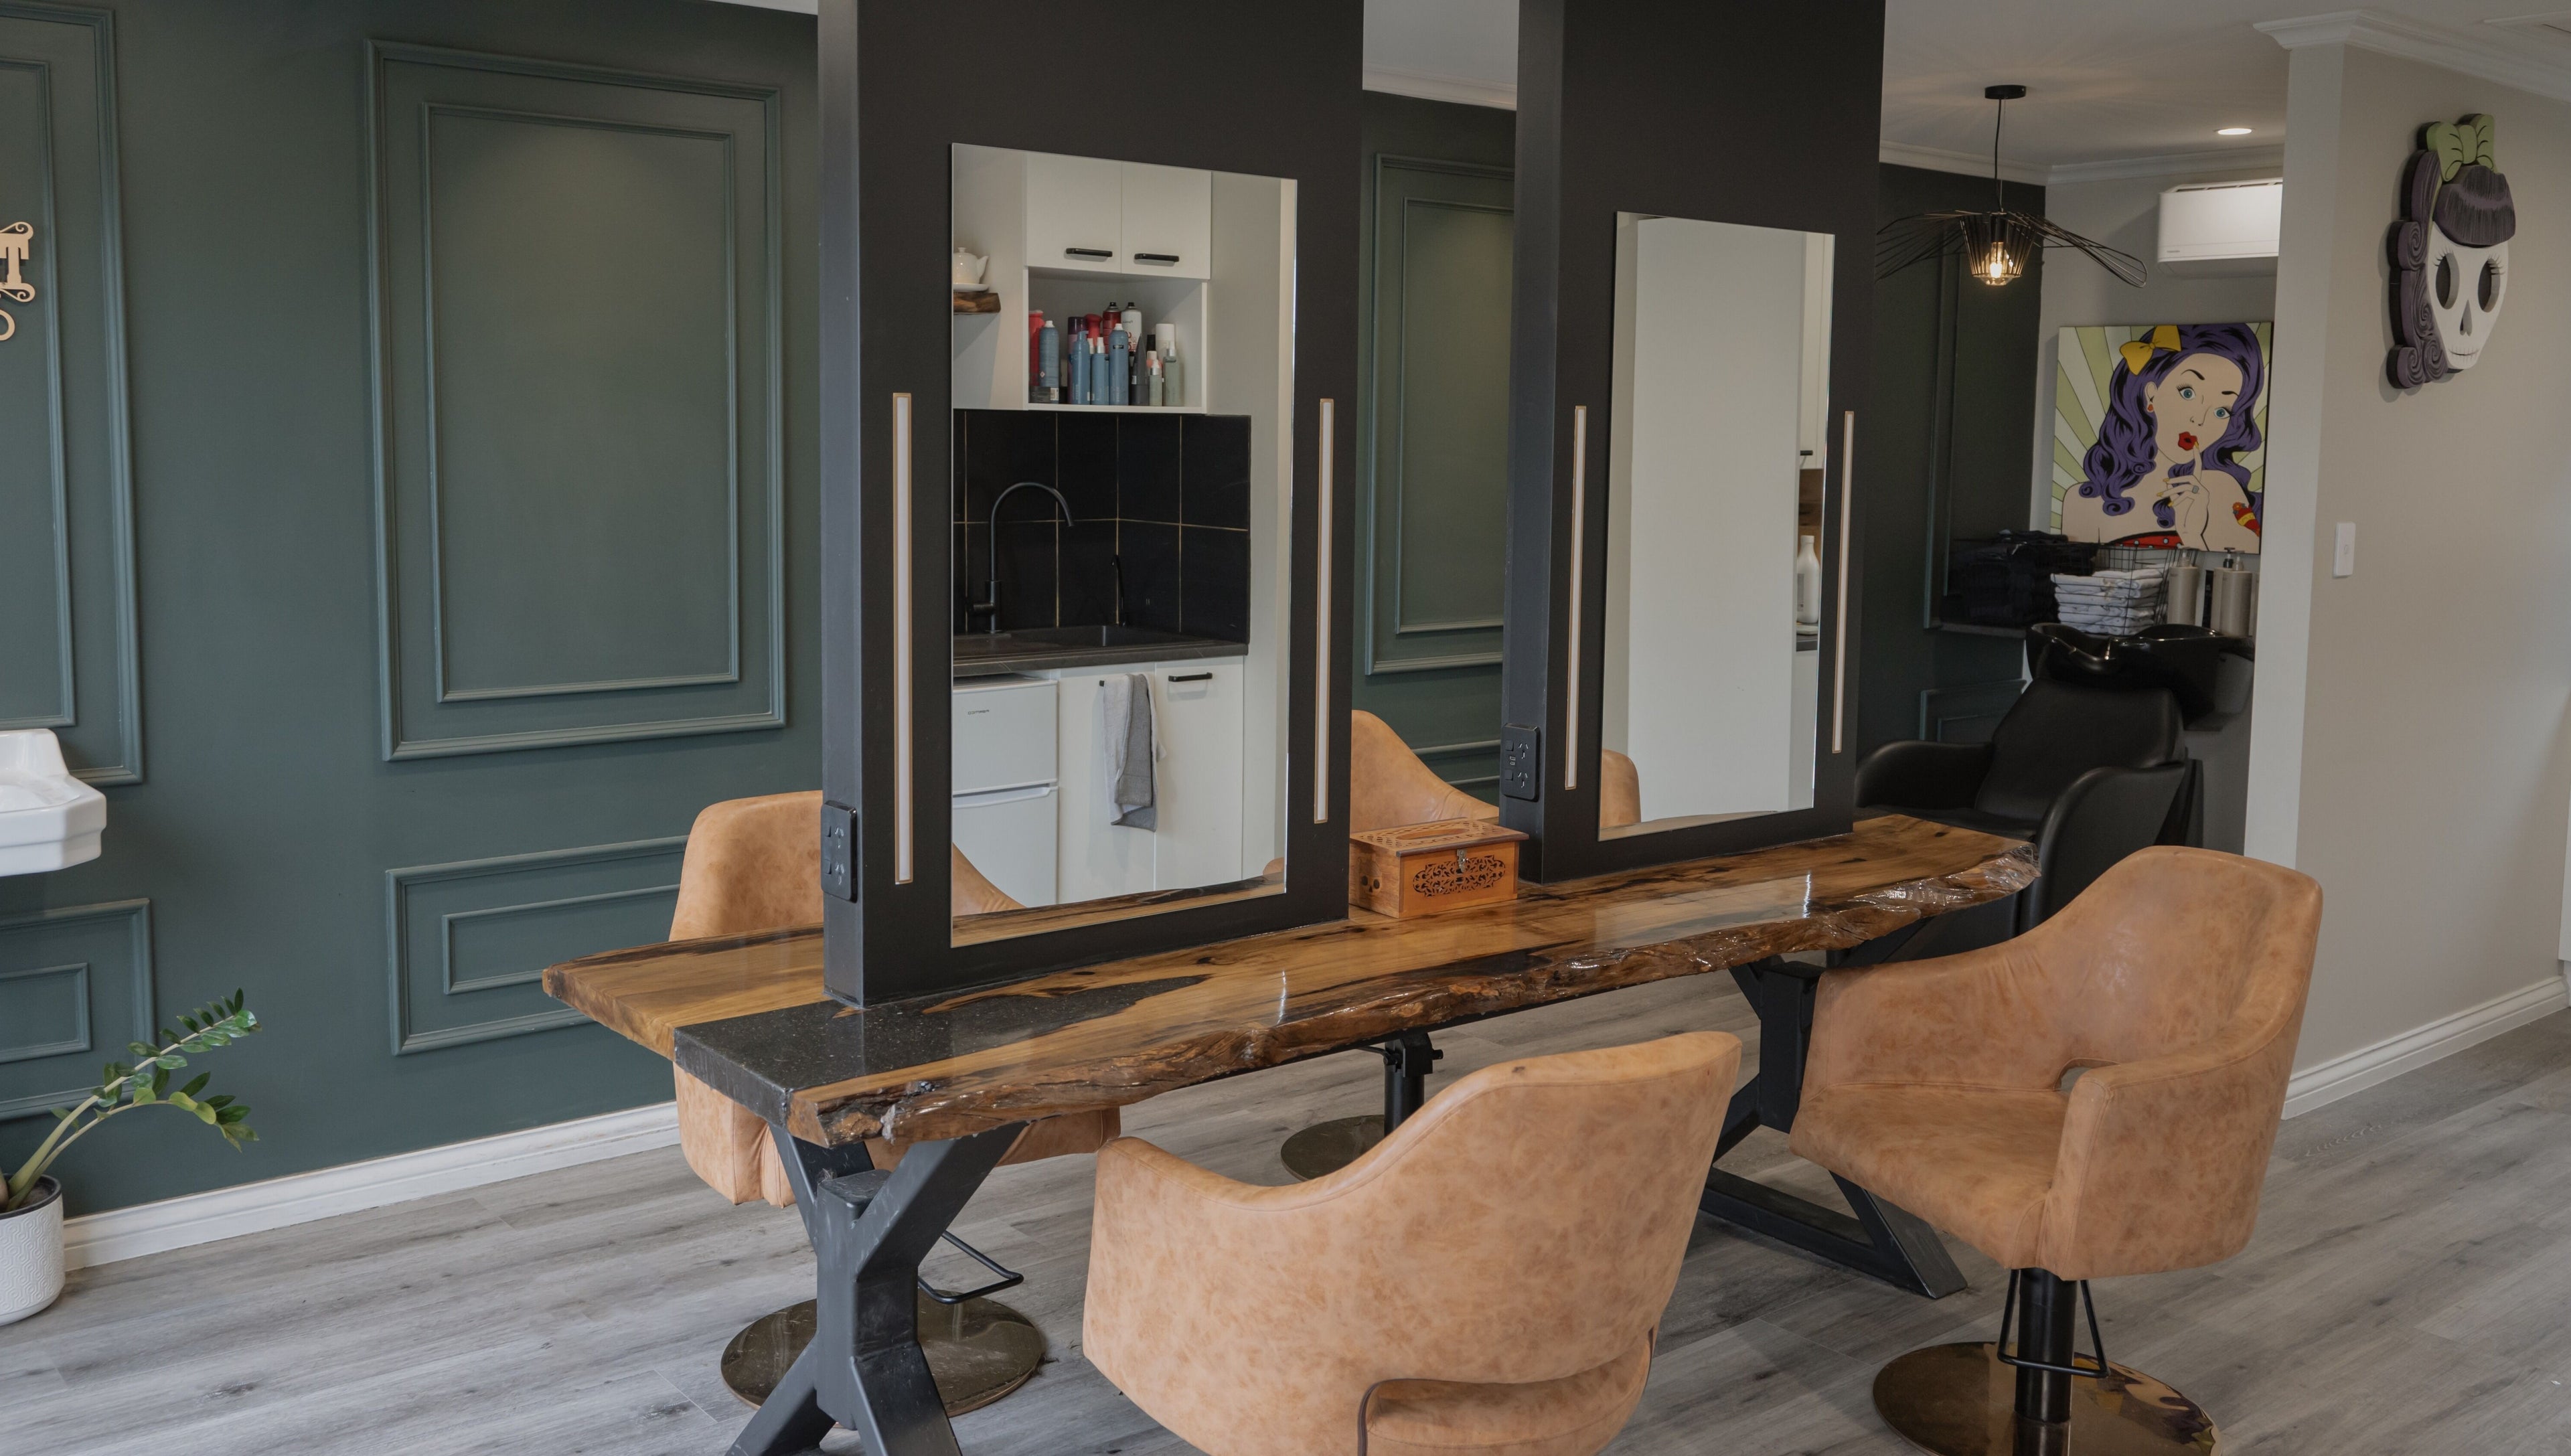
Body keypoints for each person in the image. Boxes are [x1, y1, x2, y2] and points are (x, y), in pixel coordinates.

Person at [2059, 323, 2265, 552]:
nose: (2200, 420)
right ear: (2151, 393)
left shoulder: (2222, 489)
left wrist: (2193, 534)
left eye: (2221, 411)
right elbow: (2075, 582)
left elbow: (2236, 579)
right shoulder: (2083, 500)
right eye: (2188, 393)